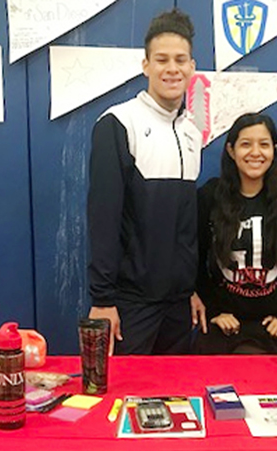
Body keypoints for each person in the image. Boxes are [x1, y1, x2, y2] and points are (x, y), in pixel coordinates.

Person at [87, 8, 206, 354]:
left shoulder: (191, 131)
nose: (172, 68)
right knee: (121, 402)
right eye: (162, 59)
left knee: (176, 400)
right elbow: (103, 219)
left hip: (179, 306)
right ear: (146, 66)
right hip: (130, 304)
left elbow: (186, 227)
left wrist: (191, 289)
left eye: (180, 60)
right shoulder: (118, 123)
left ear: (192, 67)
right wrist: (103, 300)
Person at [195, 113, 277, 354]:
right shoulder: (210, 196)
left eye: (264, 144)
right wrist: (214, 310)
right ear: (231, 150)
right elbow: (195, 256)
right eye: (246, 144)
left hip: (273, 327)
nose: (255, 153)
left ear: (275, 150)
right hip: (224, 324)